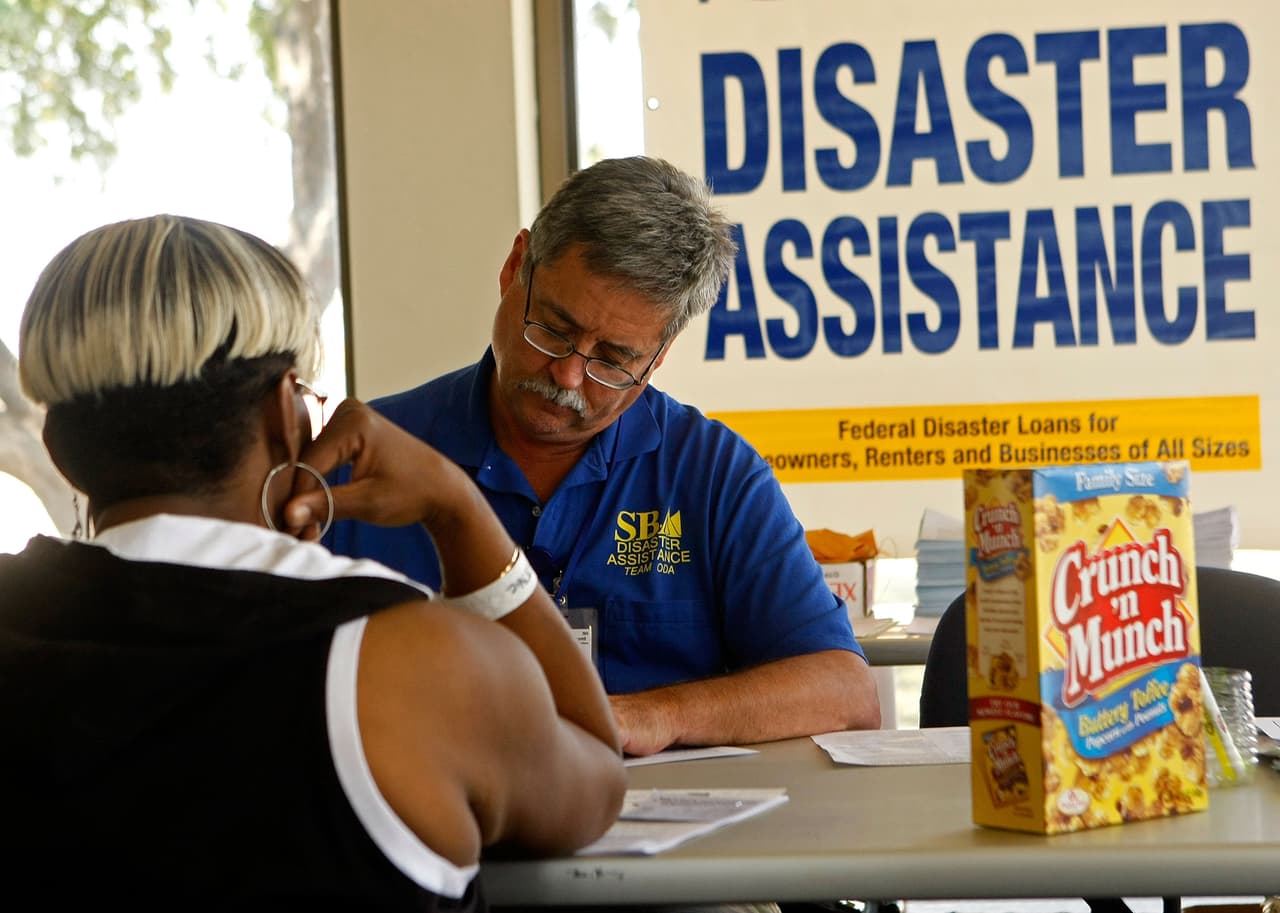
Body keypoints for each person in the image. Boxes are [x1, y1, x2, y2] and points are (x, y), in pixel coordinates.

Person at [0, 214, 625, 909]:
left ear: (58, 449)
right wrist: (458, 509)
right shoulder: (414, 663)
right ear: (285, 415)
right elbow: (596, 775)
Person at [327, 155, 881, 756]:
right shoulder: (373, 453)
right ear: (515, 268)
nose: (568, 375)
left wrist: (656, 716)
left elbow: (846, 693)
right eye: (553, 329)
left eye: (613, 359)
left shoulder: (711, 475)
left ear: (659, 355)